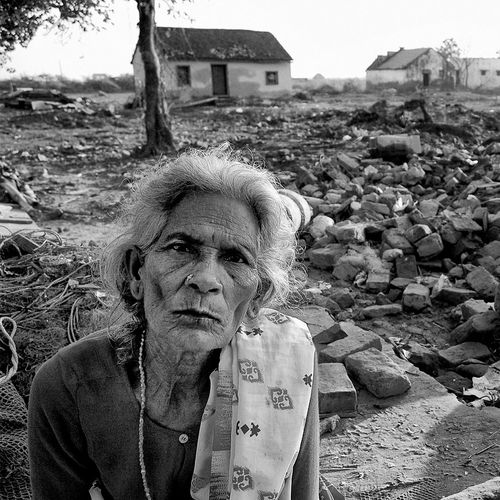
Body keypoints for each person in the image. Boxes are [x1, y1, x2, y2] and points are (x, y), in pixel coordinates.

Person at [28, 148, 319, 500]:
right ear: (138, 270)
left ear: (257, 296)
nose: (206, 280)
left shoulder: (287, 365)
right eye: (181, 248)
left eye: (234, 258)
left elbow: (303, 491)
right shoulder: (69, 385)